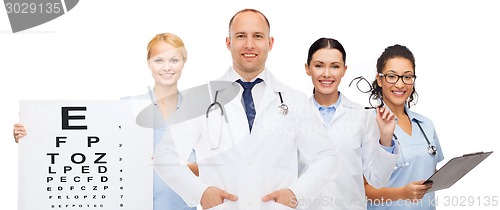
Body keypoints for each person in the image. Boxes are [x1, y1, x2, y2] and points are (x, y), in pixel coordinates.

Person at [153, 9, 337, 210]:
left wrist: (296, 194)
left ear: (270, 43)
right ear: (228, 42)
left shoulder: (295, 101)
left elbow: (326, 156)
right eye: (241, 36)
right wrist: (200, 192)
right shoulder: (201, 99)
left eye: (258, 36)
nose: (249, 44)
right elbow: (165, 156)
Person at [13, 32, 198, 210]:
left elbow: (213, 169)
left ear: (183, 62)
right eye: (159, 60)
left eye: (174, 60)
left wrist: (173, 166)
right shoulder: (125, 109)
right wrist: (32, 135)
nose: (167, 67)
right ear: (149, 63)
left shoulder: (200, 114)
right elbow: (83, 143)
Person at [299, 37, 399, 210]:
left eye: (335, 66)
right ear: (307, 69)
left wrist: (386, 138)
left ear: (344, 70)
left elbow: (377, 179)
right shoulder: (294, 116)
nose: (327, 74)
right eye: (319, 65)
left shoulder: (362, 116)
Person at [364, 44, 444, 210]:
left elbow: (428, 169)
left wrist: (452, 173)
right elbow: (362, 189)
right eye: (392, 76)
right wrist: (402, 193)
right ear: (379, 80)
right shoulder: (366, 124)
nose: (400, 85)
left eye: (407, 77)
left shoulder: (426, 125)